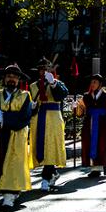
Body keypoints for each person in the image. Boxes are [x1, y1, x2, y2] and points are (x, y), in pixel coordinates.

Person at [0, 64, 33, 207]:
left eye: (14, 77)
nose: (11, 79)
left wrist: (5, 117)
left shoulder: (24, 96)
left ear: (18, 80)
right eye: (9, 76)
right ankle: (1, 189)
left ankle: (11, 193)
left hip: (16, 135)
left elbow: (25, 117)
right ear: (4, 78)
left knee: (14, 164)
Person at [29, 57, 69, 191]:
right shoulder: (33, 86)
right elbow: (32, 105)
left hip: (53, 118)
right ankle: (53, 173)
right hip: (39, 118)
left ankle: (45, 178)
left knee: (51, 147)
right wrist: (32, 107)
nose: (43, 72)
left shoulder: (57, 83)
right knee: (42, 147)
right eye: (41, 70)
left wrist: (53, 84)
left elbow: (62, 95)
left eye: (45, 69)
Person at [74, 74, 106, 176]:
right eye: (92, 82)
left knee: (103, 144)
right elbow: (80, 113)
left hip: (103, 124)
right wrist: (75, 107)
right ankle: (95, 168)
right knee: (90, 144)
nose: (92, 84)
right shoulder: (86, 97)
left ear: (100, 84)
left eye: (95, 82)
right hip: (89, 123)